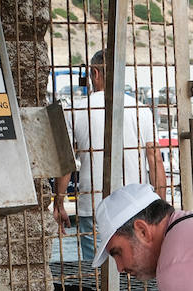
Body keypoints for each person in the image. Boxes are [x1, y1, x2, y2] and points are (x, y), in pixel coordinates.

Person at [53, 50, 167, 262]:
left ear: (95, 73)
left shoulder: (75, 111)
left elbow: (65, 164)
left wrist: (59, 204)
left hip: (94, 206)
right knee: (136, 268)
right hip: (136, 205)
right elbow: (155, 160)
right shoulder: (141, 110)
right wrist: (160, 209)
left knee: (96, 269)